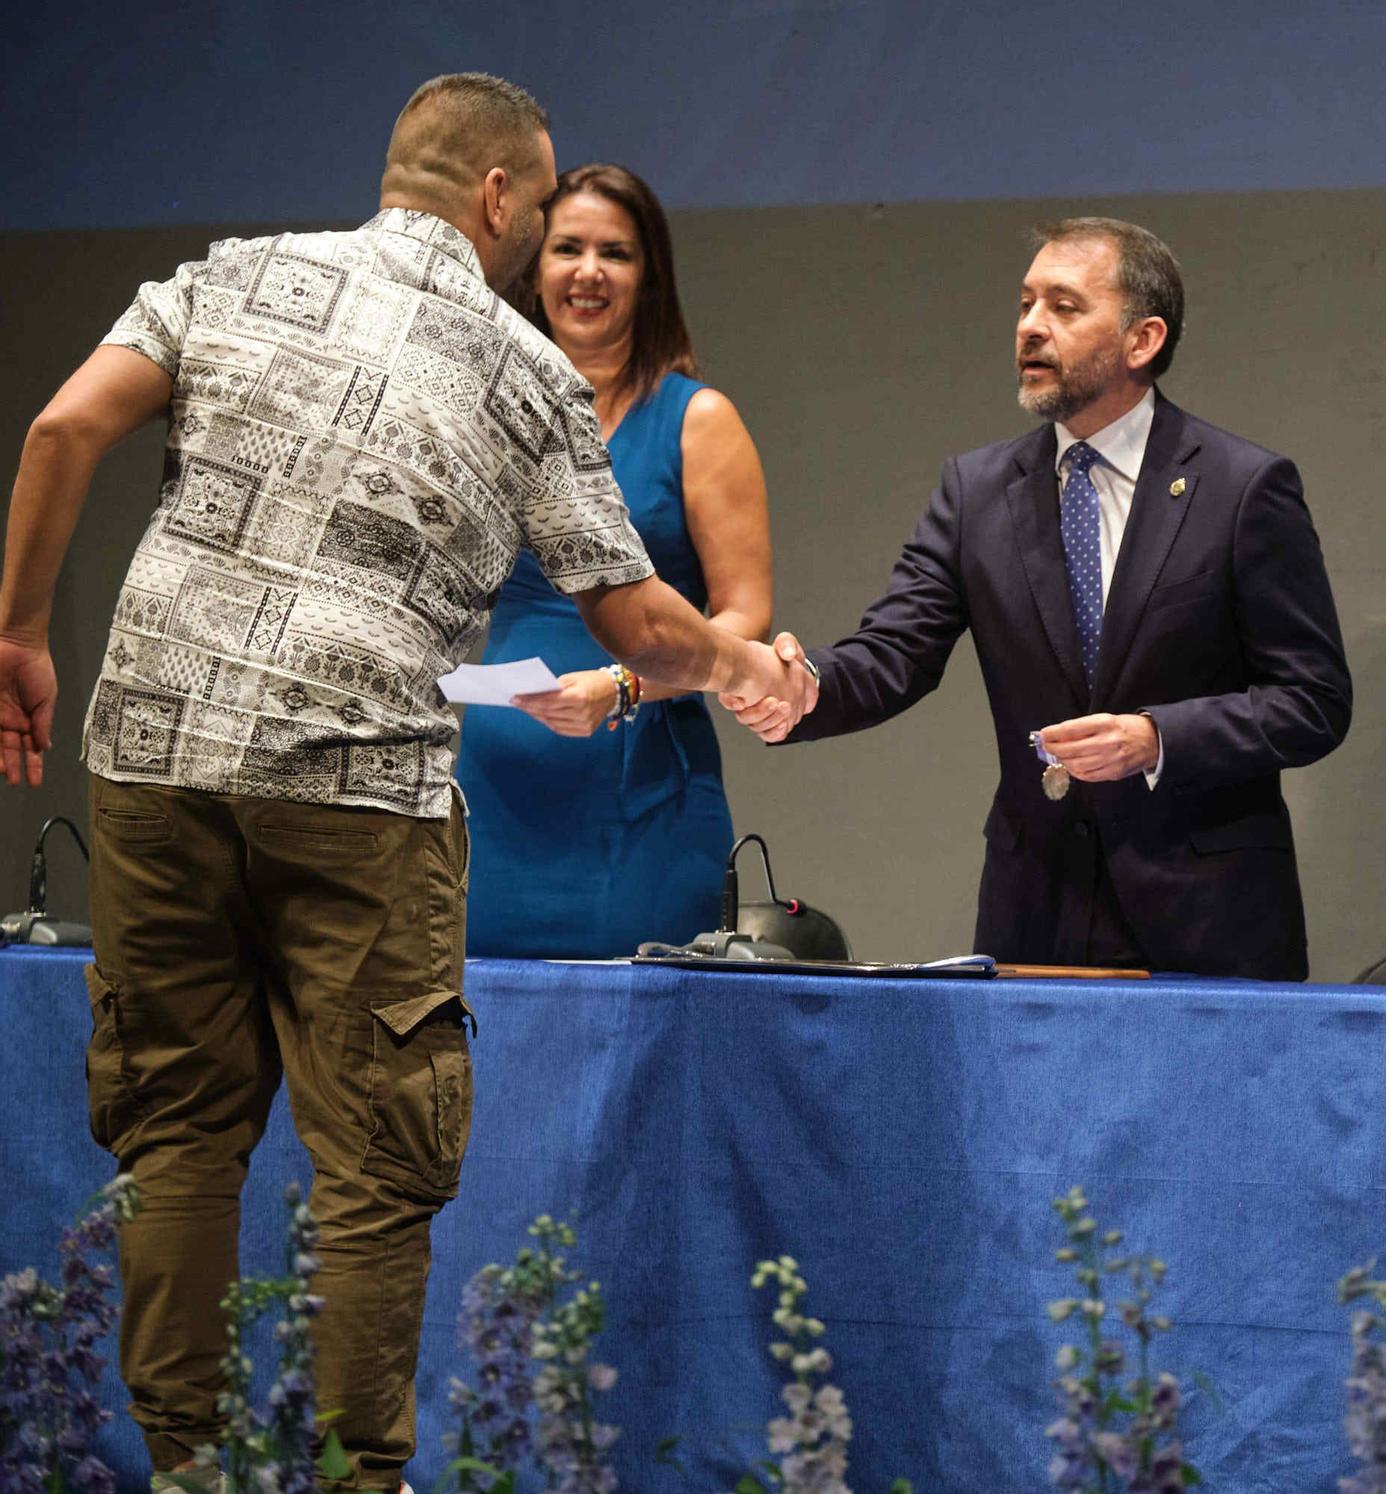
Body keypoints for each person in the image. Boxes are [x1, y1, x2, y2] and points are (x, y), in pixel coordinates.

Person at [0, 74, 804, 1491]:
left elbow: (62, 430)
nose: (550, 234)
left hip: (153, 759)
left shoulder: (233, 275)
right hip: (356, 785)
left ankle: (183, 1465)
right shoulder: (519, 369)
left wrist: (14, 633)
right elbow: (632, 622)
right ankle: (355, 1476)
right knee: (378, 1160)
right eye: (545, 206)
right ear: (499, 198)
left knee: (177, 1133)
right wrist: (730, 657)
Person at [740, 218, 1351, 980]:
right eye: (1026, 303)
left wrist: (1156, 737)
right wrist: (804, 688)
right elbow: (896, 653)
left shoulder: (1241, 488)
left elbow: (1313, 701)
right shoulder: (977, 491)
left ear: (1142, 340)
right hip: (1038, 912)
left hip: (1208, 924)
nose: (1030, 326)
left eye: (1063, 307)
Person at [457, 164, 772, 956]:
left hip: (642, 803)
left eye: (616, 253)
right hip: (496, 798)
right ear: (535, 269)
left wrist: (625, 686)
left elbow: (745, 619)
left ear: (648, 277)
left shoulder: (698, 419)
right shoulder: (481, 412)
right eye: (568, 248)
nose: (588, 272)